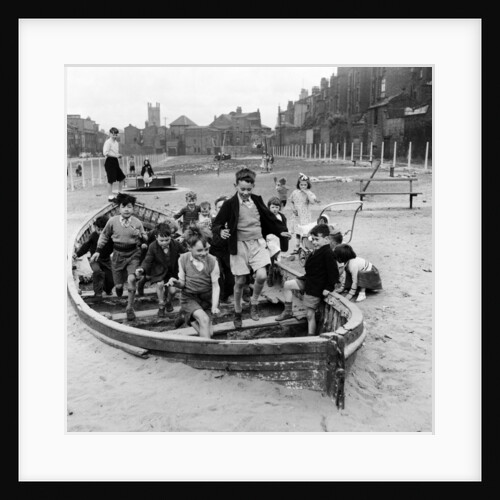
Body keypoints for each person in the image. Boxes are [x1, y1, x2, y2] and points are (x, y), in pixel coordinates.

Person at [212, 167, 291, 328]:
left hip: (257, 243)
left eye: (249, 189)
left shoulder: (257, 200)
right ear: (235, 186)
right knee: (240, 280)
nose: (246, 192)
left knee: (261, 275)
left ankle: (253, 303)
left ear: (253, 186)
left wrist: (281, 231)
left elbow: (270, 218)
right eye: (242, 189)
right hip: (239, 245)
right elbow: (217, 223)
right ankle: (238, 311)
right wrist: (221, 230)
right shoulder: (229, 204)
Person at [90, 193, 148, 321]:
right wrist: (98, 250)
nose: (127, 210)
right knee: (119, 287)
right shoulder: (112, 221)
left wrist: (142, 237)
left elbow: (145, 237)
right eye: (124, 207)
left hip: (134, 254)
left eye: (130, 207)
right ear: (119, 209)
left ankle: (129, 308)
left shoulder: (137, 222)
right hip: (117, 256)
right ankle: (119, 288)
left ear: (134, 209)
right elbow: (104, 235)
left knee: (132, 280)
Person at [275, 224, 339, 335]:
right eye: (312, 239)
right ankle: (288, 311)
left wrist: (329, 287)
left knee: (310, 315)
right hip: (308, 280)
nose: (313, 242)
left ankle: (311, 336)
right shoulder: (317, 250)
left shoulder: (328, 253)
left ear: (326, 239)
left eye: (316, 239)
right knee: (287, 285)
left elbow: (334, 273)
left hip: (316, 287)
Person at [166, 225, 220, 338]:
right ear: (189, 247)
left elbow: (216, 286)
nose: (204, 253)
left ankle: (188, 319)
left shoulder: (212, 261)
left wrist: (214, 306)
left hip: (206, 299)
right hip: (189, 297)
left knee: (209, 333)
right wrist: (176, 283)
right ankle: (206, 354)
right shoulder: (183, 259)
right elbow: (182, 284)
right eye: (199, 250)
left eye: (206, 249)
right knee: (204, 320)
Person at [135, 223, 187, 317]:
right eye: (161, 240)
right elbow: (148, 260)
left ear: (171, 236)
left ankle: (168, 302)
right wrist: (142, 269)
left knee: (172, 291)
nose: (164, 243)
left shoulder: (175, 244)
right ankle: (161, 305)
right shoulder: (152, 246)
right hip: (158, 270)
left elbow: (185, 252)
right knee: (160, 284)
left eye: (167, 240)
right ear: (156, 237)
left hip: (172, 271)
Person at [73, 215, 114, 299]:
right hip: (94, 260)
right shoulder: (93, 236)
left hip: (106, 260)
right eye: (98, 229)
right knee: (97, 272)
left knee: (110, 279)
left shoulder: (111, 236)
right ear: (95, 227)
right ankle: (98, 293)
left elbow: (117, 245)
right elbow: (85, 246)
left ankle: (107, 289)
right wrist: (77, 254)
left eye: (102, 230)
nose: (100, 232)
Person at [209, 195, 235, 304]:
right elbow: (212, 229)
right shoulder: (213, 221)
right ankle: (218, 295)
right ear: (216, 209)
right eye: (219, 207)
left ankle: (227, 295)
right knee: (217, 273)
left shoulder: (233, 220)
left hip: (229, 251)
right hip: (215, 250)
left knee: (230, 275)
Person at [288, 173, 321, 254]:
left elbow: (313, 202)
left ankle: (304, 246)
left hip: (305, 215)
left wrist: (307, 193)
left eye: (305, 185)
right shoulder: (295, 192)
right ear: (298, 184)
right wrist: (293, 209)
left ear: (307, 185)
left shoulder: (309, 193)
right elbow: (290, 201)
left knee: (304, 230)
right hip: (297, 215)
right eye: (301, 184)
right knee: (297, 230)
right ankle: (297, 246)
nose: (303, 186)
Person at [266, 196, 289, 286]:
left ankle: (276, 274)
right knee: (271, 256)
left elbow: (284, 227)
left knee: (278, 257)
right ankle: (270, 276)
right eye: (272, 207)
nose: (275, 209)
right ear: (269, 207)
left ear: (279, 208)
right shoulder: (267, 217)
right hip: (270, 239)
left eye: (277, 207)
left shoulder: (281, 216)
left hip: (279, 239)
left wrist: (287, 235)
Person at [103, 127, 126, 202]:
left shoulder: (116, 143)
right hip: (109, 162)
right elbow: (105, 153)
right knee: (110, 180)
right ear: (110, 134)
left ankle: (120, 193)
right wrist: (116, 155)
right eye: (113, 134)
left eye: (116, 134)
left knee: (122, 177)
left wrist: (118, 155)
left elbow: (115, 153)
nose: (114, 136)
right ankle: (110, 196)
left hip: (115, 161)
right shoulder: (107, 142)